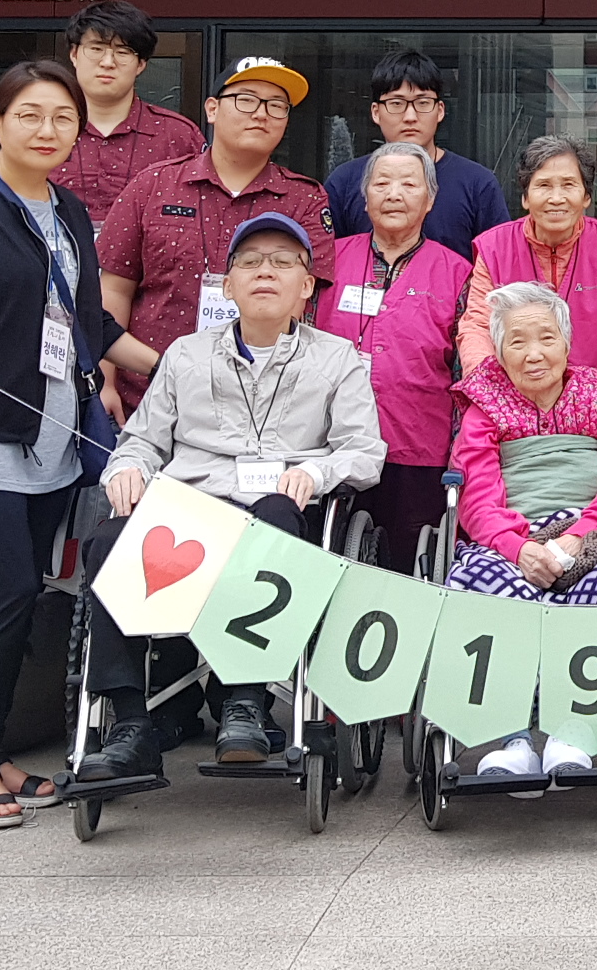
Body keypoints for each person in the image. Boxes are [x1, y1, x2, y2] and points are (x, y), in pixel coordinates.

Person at [0, 59, 160, 829]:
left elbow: (91, 324)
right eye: (31, 115)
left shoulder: (68, 209)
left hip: (53, 434)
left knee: (28, 594)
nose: (47, 131)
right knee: (4, 591)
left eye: (62, 119)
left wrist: (174, 367)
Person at [79, 216, 383, 782]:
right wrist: (127, 467)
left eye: (283, 262)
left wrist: (315, 471)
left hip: (278, 514)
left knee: (275, 515)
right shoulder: (185, 356)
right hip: (189, 515)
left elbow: (364, 452)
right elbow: (142, 440)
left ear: (307, 286)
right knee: (108, 541)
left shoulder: (338, 359)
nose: (266, 272)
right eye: (250, 262)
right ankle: (130, 726)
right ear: (227, 285)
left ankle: (244, 699)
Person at [448, 281, 597, 786]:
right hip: (512, 538)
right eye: (517, 341)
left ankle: (576, 728)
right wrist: (520, 548)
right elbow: (477, 500)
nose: (534, 353)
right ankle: (513, 738)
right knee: (480, 585)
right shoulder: (483, 408)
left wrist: (578, 537)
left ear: (567, 342)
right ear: (498, 351)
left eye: (546, 338)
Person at [96, 55, 335, 413]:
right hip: (148, 393)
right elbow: (114, 289)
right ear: (212, 109)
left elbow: (301, 304)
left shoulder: (305, 199)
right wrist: (105, 382)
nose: (261, 114)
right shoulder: (153, 185)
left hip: (259, 401)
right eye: (246, 100)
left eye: (276, 105)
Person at [311, 142, 472, 574]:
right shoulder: (326, 264)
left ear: (430, 199)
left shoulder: (459, 273)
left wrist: (461, 454)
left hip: (417, 450)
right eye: (381, 183)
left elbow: (466, 375)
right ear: (364, 198)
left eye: (408, 184)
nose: (394, 194)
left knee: (407, 568)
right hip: (329, 443)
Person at [459, 138, 597, 420]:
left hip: (596, 406)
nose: (556, 198)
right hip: (513, 409)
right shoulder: (494, 248)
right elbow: (477, 325)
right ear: (525, 197)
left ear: (586, 196)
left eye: (568, 185)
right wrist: (486, 388)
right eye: (544, 186)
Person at [322, 47, 509, 263]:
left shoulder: (478, 184)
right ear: (376, 112)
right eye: (396, 104)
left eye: (423, 103)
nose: (410, 116)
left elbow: (499, 265)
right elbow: (325, 262)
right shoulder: (344, 182)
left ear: (440, 110)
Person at [50, 1, 204, 229]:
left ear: (141, 64)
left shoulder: (178, 136)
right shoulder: (44, 128)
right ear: (74, 54)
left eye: (122, 52)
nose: (107, 62)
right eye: (96, 49)